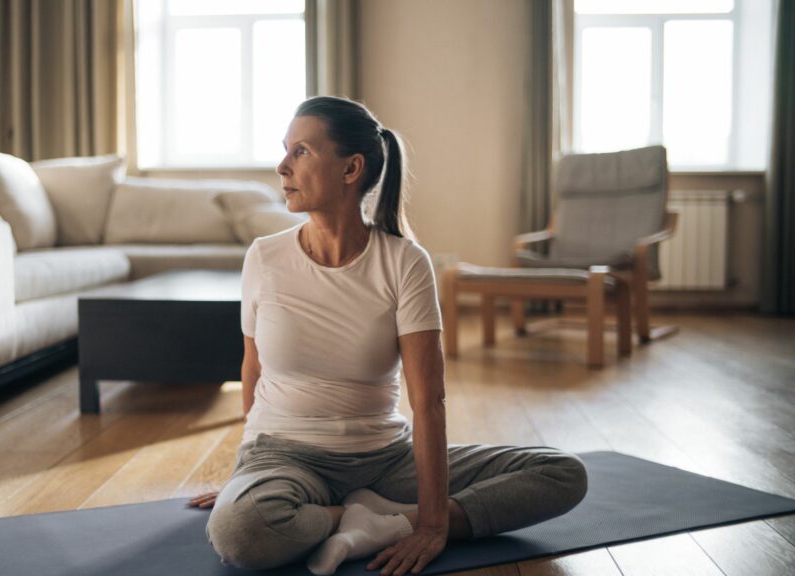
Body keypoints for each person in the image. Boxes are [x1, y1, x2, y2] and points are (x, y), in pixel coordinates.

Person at [187, 96, 587, 576]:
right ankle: (371, 520)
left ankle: (378, 516)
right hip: (284, 454)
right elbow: (252, 368)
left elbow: (429, 401)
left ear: (350, 168)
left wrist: (434, 527)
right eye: (285, 151)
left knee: (562, 474)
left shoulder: (404, 262)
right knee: (240, 531)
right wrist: (245, 476)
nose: (281, 167)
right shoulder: (264, 257)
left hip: (383, 461)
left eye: (301, 153)